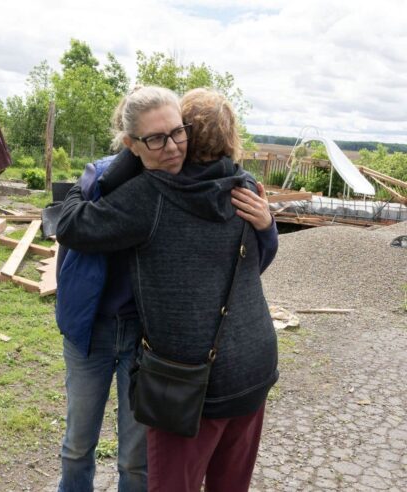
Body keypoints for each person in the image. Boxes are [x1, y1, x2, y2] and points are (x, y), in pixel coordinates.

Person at [55, 86, 278, 491]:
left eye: (178, 133)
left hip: (164, 355)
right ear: (131, 143)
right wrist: (268, 225)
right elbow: (258, 262)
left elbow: (71, 224)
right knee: (84, 447)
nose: (172, 147)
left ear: (189, 132)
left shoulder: (161, 192)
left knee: (144, 464)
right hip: (104, 331)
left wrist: (83, 182)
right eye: (156, 138)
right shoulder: (240, 187)